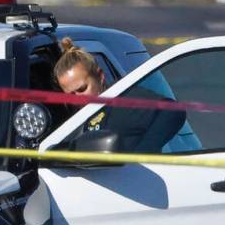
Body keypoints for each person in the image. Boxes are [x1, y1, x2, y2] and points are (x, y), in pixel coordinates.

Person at [53, 37, 201, 153]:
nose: (77, 99)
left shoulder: (122, 101)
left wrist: (140, 157)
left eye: (82, 89)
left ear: (100, 76)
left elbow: (172, 111)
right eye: (70, 95)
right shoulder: (69, 118)